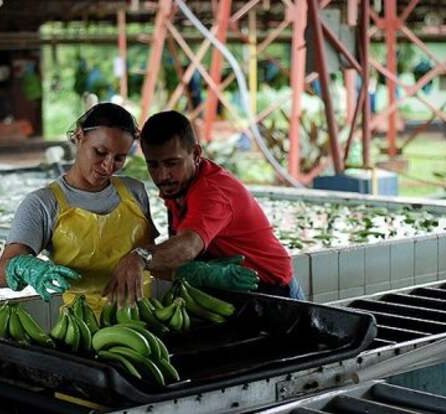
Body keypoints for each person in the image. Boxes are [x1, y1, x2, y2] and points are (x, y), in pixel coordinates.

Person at [105, 110, 305, 307]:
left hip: (274, 293)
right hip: (233, 295)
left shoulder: (212, 192)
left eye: (172, 163)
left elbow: (187, 246)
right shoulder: (178, 187)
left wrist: (140, 257)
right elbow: (176, 254)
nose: (162, 175)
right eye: (153, 165)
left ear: (196, 154)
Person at [0, 103, 158, 314]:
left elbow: (153, 256)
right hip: (81, 327)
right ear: (79, 136)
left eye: (119, 158)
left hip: (142, 319)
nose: (108, 166)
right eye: (100, 152)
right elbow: (0, 273)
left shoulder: (135, 191)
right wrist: (25, 268)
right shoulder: (42, 203)